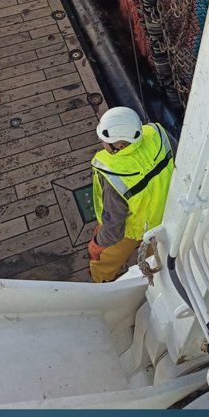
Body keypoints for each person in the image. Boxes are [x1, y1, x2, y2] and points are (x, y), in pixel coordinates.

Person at [86, 106, 176, 284]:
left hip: (131, 229)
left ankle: (100, 281)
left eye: (104, 140)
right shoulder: (159, 134)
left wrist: (97, 244)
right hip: (165, 221)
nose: (100, 141)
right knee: (157, 257)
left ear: (120, 146)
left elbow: (113, 229)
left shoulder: (114, 175)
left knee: (105, 258)